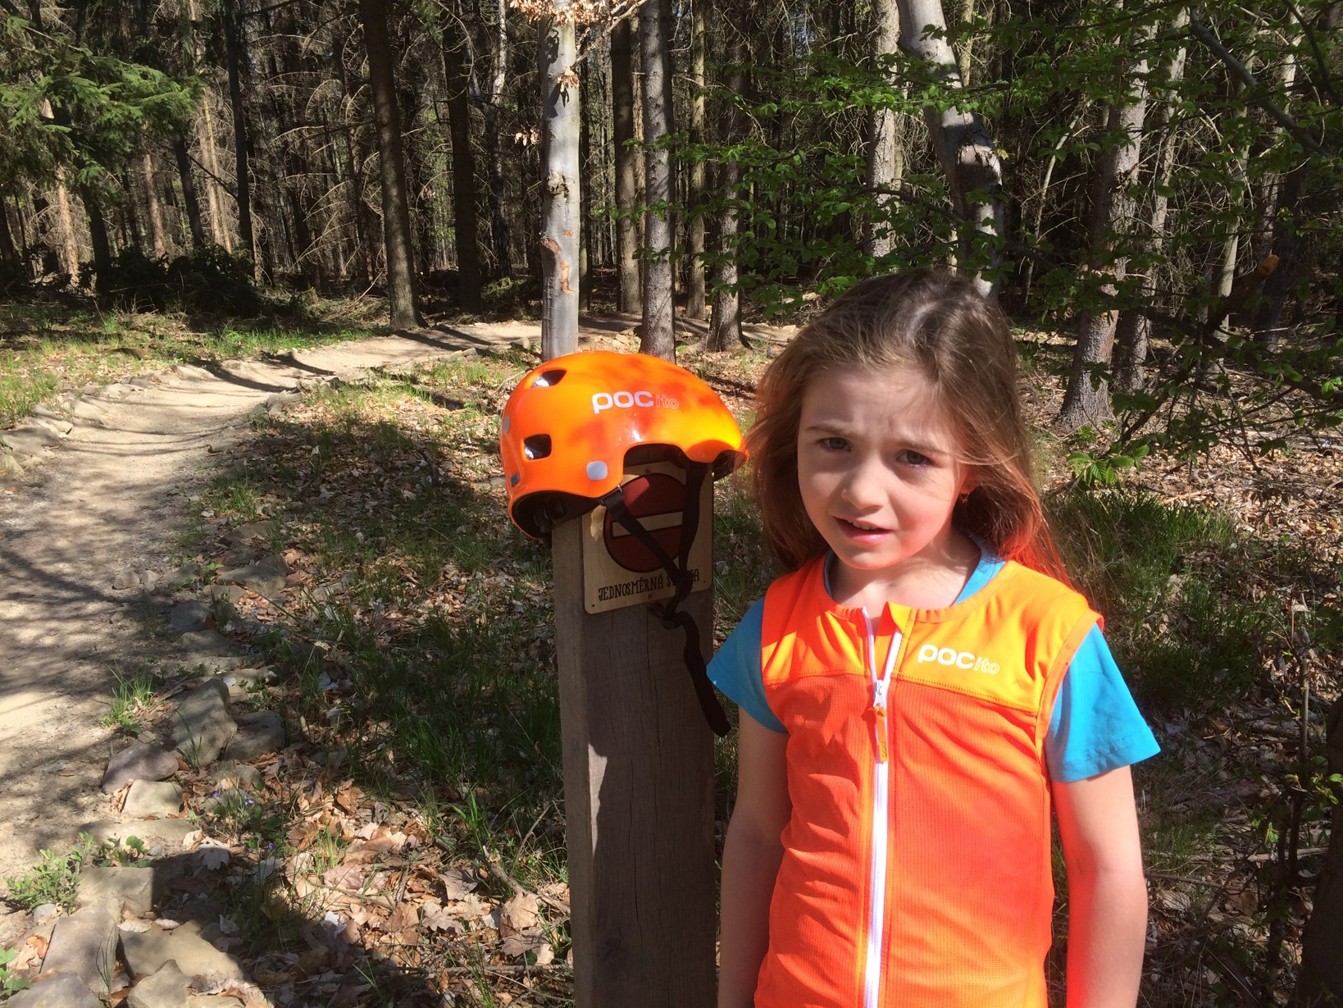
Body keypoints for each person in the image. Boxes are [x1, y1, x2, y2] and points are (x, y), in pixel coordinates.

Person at [710, 269, 1159, 1008]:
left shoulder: (1047, 634)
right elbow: (757, 832)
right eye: (833, 443)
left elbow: (1106, 867)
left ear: (973, 464)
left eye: (912, 457)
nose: (861, 491)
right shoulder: (777, 624)